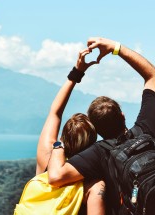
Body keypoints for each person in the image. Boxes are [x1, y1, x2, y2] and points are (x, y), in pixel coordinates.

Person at [46, 37, 155, 215]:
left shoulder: (99, 153)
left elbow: (55, 176)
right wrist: (114, 47)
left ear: (95, 129)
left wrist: (59, 145)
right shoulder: (147, 129)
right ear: (123, 116)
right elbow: (152, 74)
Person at [36, 48, 105, 215]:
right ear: (92, 143)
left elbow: (55, 112)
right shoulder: (93, 182)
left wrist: (78, 72)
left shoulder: (46, 158)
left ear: (63, 137)